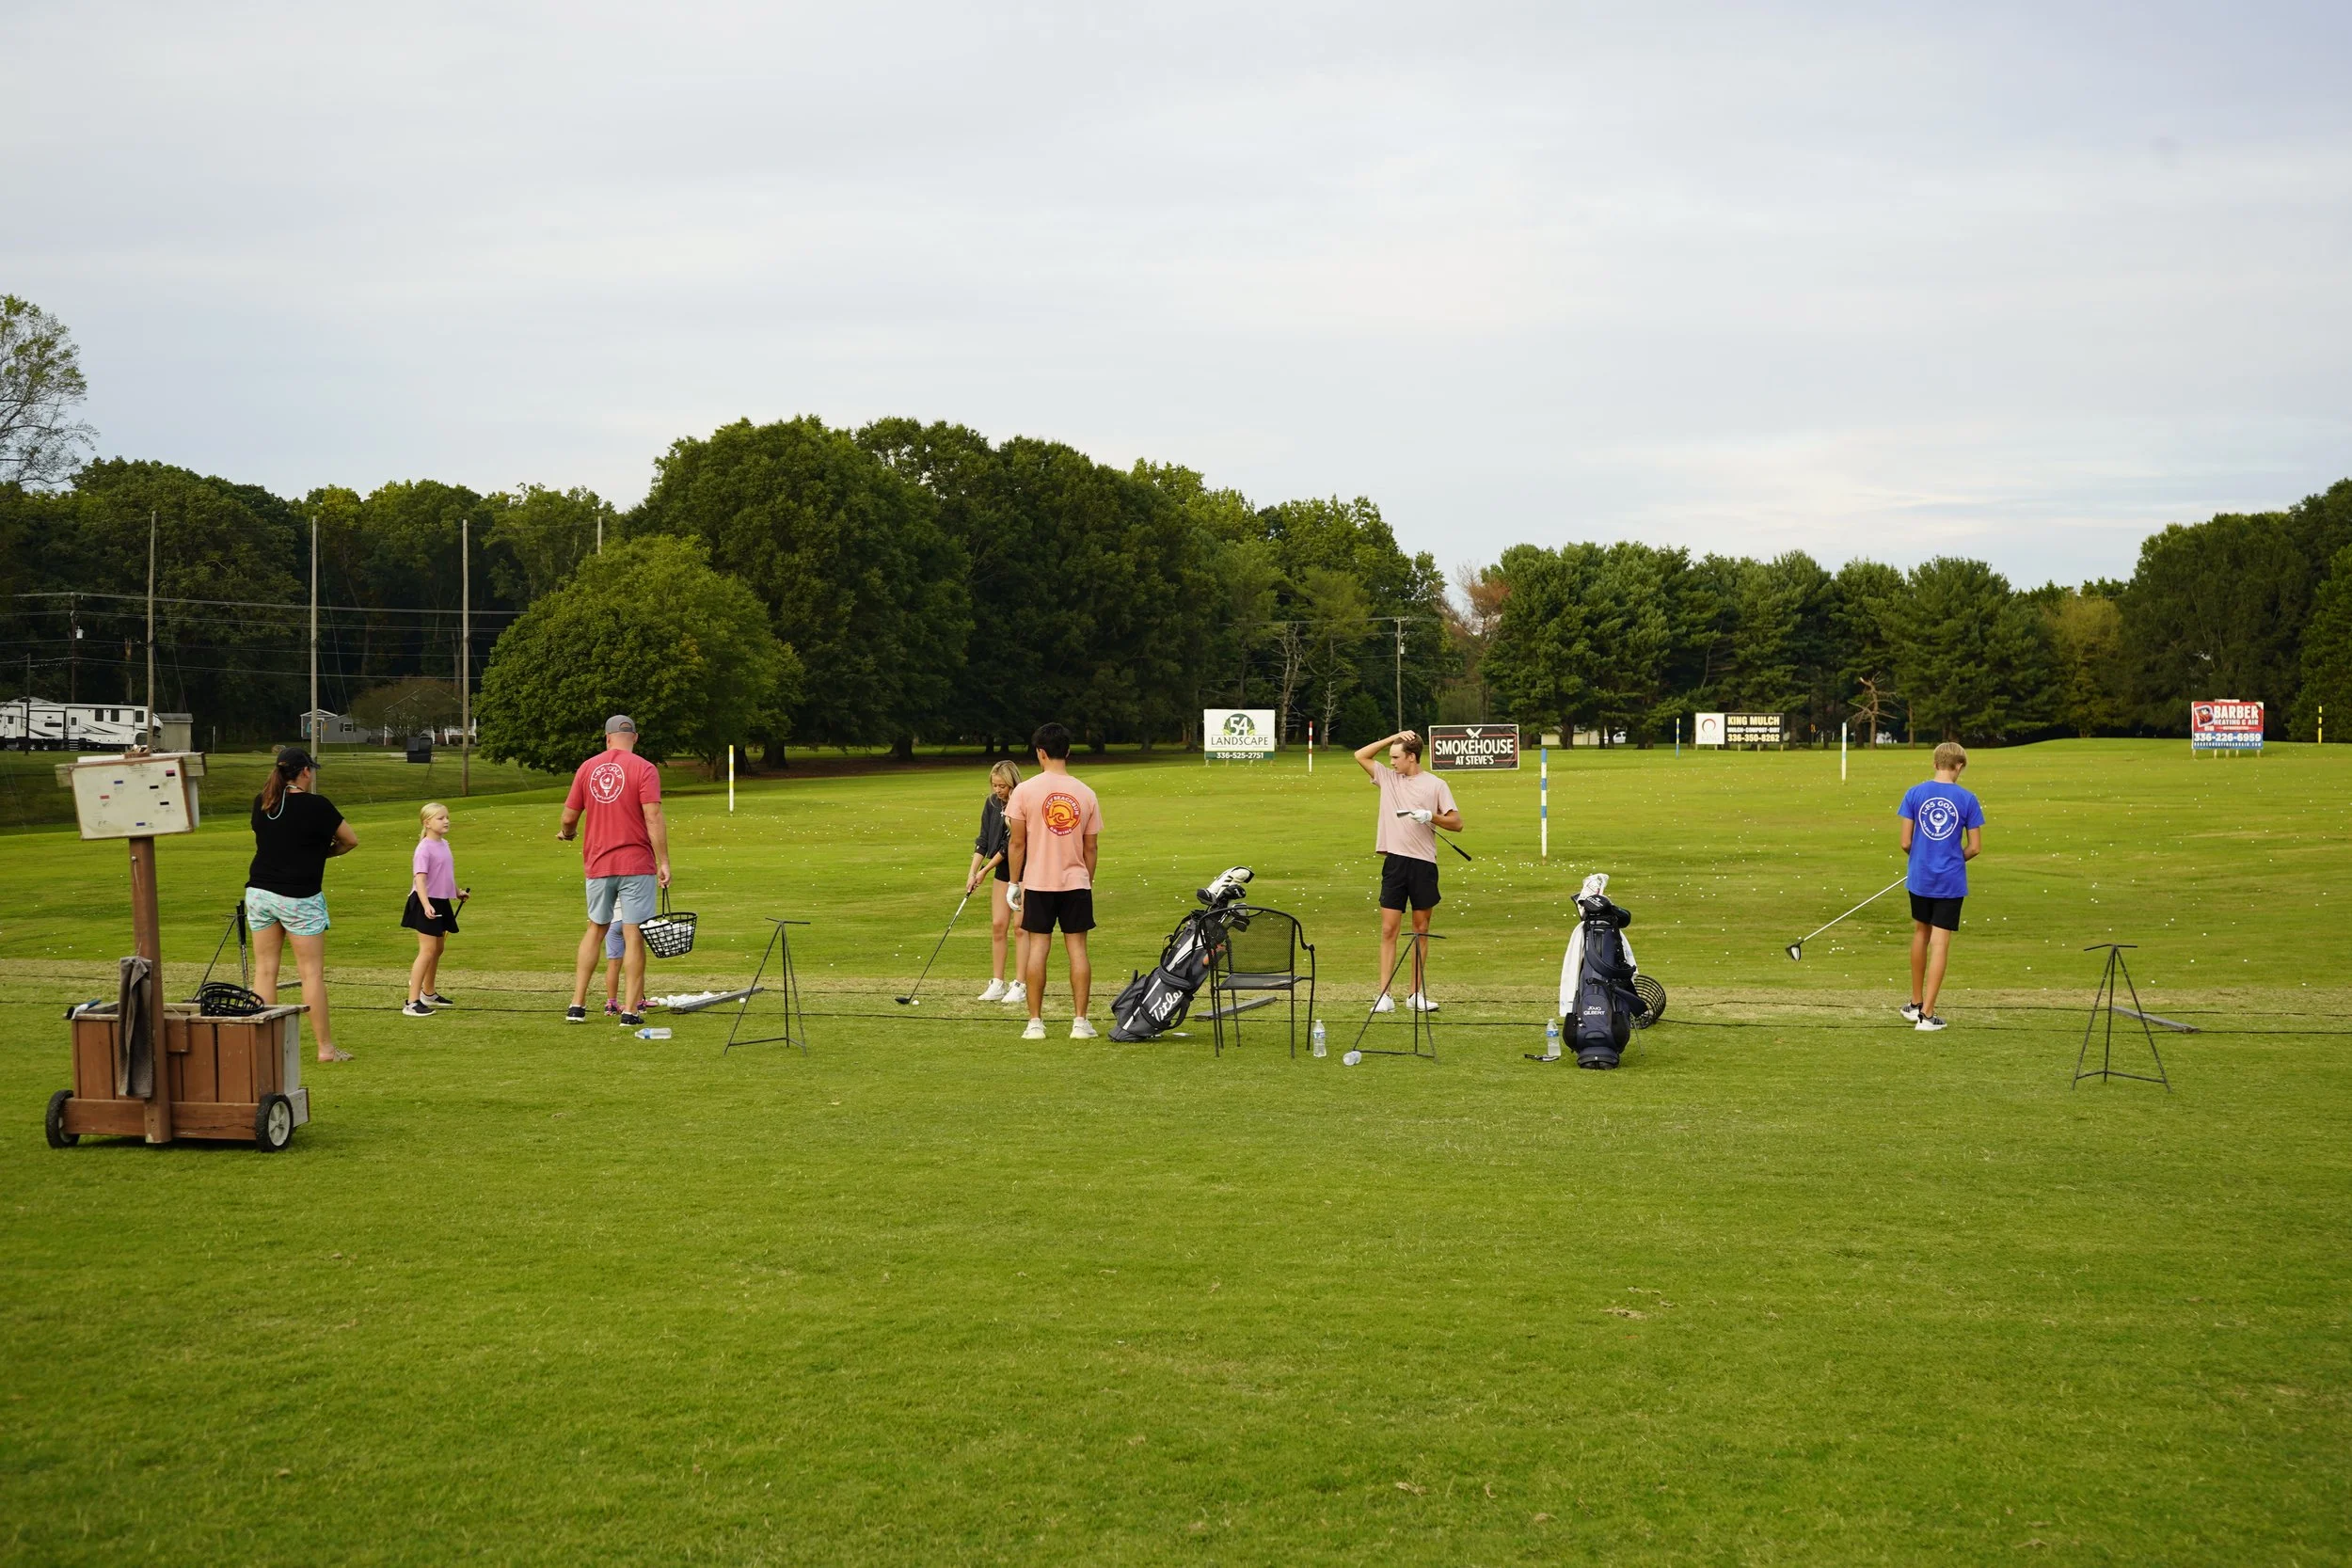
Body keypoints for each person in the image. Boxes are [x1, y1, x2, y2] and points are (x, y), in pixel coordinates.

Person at [246, 746, 358, 1062]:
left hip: (259, 892)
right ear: (305, 771)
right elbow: (350, 840)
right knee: (311, 974)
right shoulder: (317, 806)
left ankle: (266, 1049)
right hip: (299, 896)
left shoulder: (264, 802)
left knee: (265, 970)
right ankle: (325, 1048)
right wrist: (321, 853)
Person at [559, 715, 671, 1027]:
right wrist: (664, 862)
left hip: (597, 862)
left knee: (596, 928)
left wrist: (568, 835)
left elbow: (569, 818)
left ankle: (577, 1005)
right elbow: (653, 816)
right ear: (634, 738)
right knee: (634, 934)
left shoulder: (587, 767)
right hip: (635, 863)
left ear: (607, 738)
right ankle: (630, 1011)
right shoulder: (645, 768)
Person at [1005, 722, 1102, 1040]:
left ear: (1040, 753)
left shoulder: (1025, 790)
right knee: (1077, 950)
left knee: (1038, 949)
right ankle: (1080, 1021)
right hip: (1075, 881)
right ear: (1068, 752)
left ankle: (1035, 1022)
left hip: (1038, 881)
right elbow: (1091, 846)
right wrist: (1087, 879)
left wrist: (1013, 883)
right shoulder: (1085, 792)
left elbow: (1017, 843)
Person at [1354, 728, 1461, 1014]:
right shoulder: (1388, 779)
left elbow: (1457, 823)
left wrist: (1431, 816)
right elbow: (1360, 755)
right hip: (1395, 863)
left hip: (1424, 864)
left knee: (1421, 930)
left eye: (1396, 757)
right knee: (1389, 929)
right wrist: (1391, 738)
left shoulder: (1436, 785)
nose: (1391, 761)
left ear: (1411, 757)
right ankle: (1384, 995)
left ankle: (1415, 994)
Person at [1899, 740, 1984, 1033]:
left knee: (1921, 933)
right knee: (1941, 943)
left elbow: (1906, 842)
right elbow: (1974, 848)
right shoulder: (1968, 799)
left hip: (1920, 878)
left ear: (1935, 764)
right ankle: (1927, 1014)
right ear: (1958, 766)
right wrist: (1951, 859)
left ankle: (1915, 1003)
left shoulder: (1914, 793)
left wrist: (1923, 858)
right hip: (1949, 881)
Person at [969, 760, 1030, 1005]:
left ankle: (1020, 984)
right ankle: (997, 982)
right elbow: (984, 839)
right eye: (994, 785)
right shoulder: (992, 803)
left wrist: (984, 871)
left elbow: (1009, 846)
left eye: (1002, 785)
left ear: (1013, 781)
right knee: (998, 925)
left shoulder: (1021, 803)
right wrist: (972, 871)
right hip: (1001, 872)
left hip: (1023, 870)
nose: (997, 790)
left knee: (1020, 927)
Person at [400, 801, 467, 1017]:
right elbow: (420, 879)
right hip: (424, 902)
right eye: (440, 818)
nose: (446, 821)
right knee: (427, 951)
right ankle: (412, 1002)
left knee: (438, 949)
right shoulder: (424, 848)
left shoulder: (444, 844)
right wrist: (426, 904)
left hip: (440, 900)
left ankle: (428, 993)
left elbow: (445, 873)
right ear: (427, 823)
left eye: (447, 817)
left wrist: (456, 891)